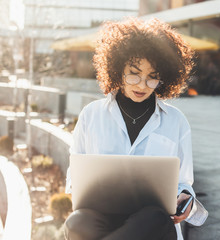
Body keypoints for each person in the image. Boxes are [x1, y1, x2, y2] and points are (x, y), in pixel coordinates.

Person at [64, 17, 208, 240]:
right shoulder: (91, 115)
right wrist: (79, 187)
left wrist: (184, 198)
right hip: (102, 217)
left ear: (164, 77)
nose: (142, 85)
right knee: (76, 222)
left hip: (152, 225)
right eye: (134, 74)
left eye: (152, 77)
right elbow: (75, 173)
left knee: (154, 218)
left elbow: (183, 183)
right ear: (117, 69)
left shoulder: (176, 121)